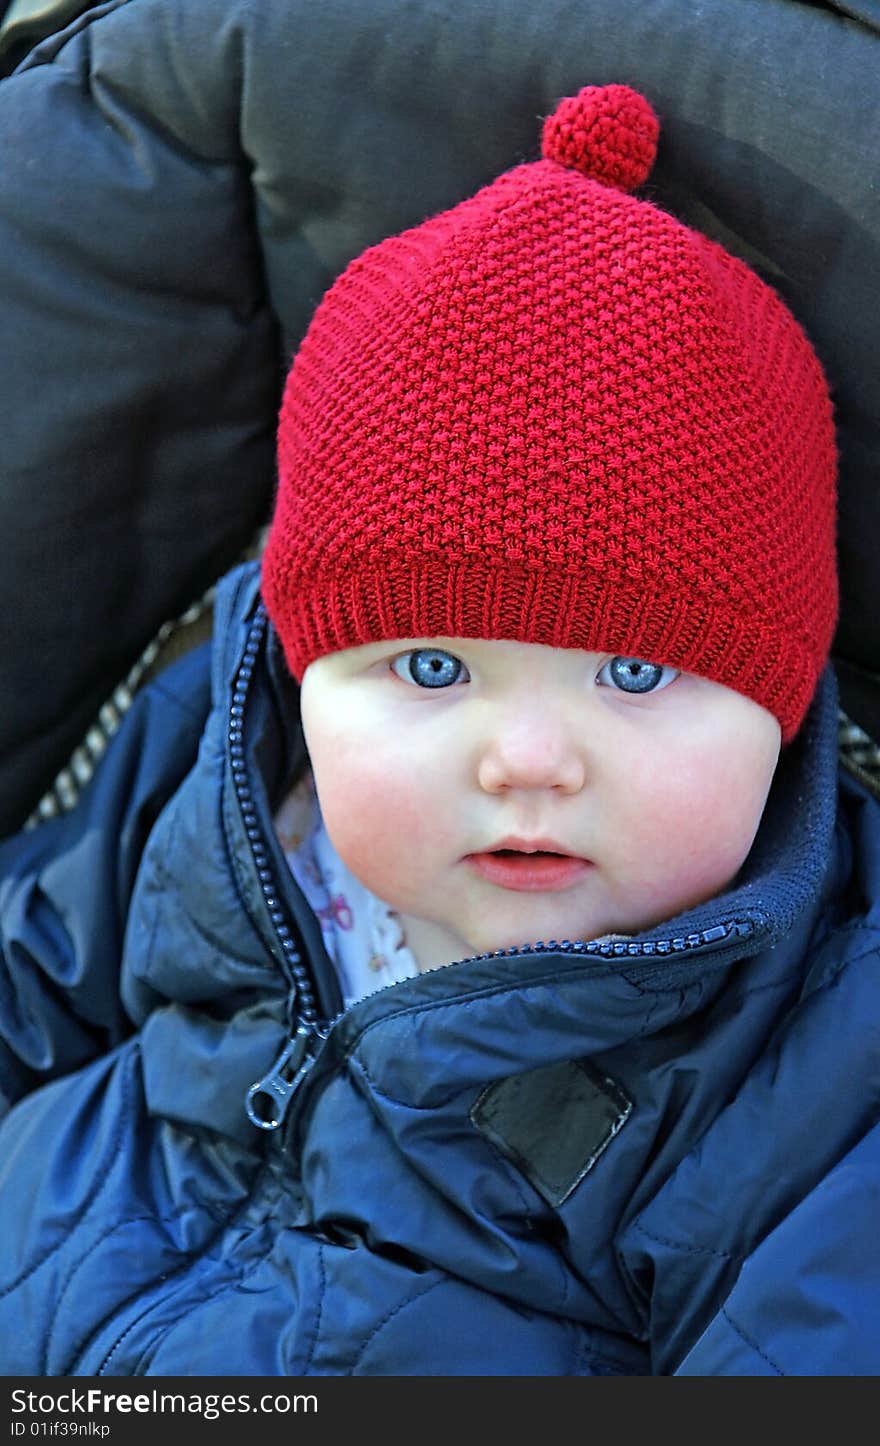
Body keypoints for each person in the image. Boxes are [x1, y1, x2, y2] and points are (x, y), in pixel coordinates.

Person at [0, 83, 877, 1377]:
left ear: (781, 705)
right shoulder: (223, 764)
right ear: (306, 670)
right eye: (430, 662)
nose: (526, 758)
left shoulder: (814, 1064)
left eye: (634, 670)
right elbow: (33, 971)